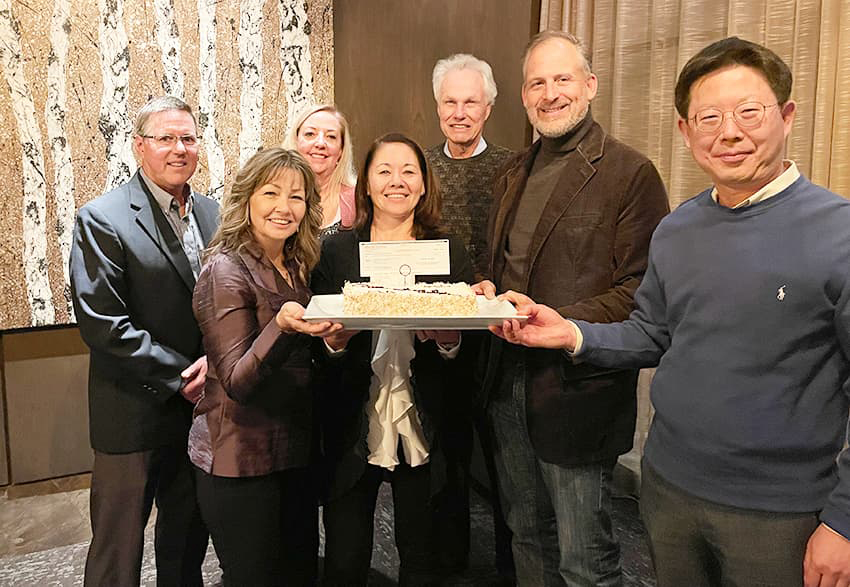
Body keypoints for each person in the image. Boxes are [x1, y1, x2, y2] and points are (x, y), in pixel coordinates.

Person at [492, 36, 850, 587]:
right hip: (668, 490)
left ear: (786, 116)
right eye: (709, 118)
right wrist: (571, 333)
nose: (729, 132)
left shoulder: (838, 232)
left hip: (781, 512)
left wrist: (844, 521)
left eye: (748, 112)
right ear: (686, 130)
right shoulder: (679, 228)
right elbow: (651, 331)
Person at [474, 31, 669, 586]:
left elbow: (641, 290)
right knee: (527, 536)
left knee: (585, 559)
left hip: (577, 388)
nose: (550, 93)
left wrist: (561, 322)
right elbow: (505, 266)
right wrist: (486, 289)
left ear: (590, 85)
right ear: (523, 95)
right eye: (537, 82)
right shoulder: (513, 172)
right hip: (506, 383)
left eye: (562, 79)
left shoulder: (630, 173)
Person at [311, 133, 474, 586]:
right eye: (384, 171)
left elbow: (471, 355)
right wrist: (334, 345)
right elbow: (315, 348)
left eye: (408, 172)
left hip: (426, 420)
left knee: (422, 557)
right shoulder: (337, 250)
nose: (396, 181)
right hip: (353, 421)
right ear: (365, 184)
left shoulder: (448, 251)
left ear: (424, 185)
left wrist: (450, 343)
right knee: (345, 559)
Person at [70, 95, 215, 586]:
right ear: (139, 146)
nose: (179, 149)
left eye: (188, 138)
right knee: (118, 549)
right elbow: (104, 325)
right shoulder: (102, 218)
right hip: (133, 412)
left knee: (186, 543)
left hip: (198, 413)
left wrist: (214, 366)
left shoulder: (214, 214)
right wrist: (183, 376)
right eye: (166, 138)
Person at [188, 147, 339, 585]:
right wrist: (282, 326)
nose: (283, 207)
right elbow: (237, 381)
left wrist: (334, 342)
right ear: (247, 198)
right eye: (271, 193)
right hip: (240, 457)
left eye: (296, 197)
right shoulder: (225, 269)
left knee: (298, 572)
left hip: (292, 449)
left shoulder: (296, 263)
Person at [425, 52, 515, 577]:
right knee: (446, 453)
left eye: (470, 103)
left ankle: (511, 568)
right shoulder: (420, 168)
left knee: (505, 458)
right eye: (450, 102)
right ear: (438, 106)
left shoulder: (513, 167)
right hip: (437, 330)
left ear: (489, 107)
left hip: (499, 330)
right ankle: (448, 564)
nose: (459, 113)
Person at [286, 104, 356, 239]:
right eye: (310, 134)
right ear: (296, 142)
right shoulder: (275, 195)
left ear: (341, 150)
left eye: (331, 136)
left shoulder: (357, 200)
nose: (320, 144)